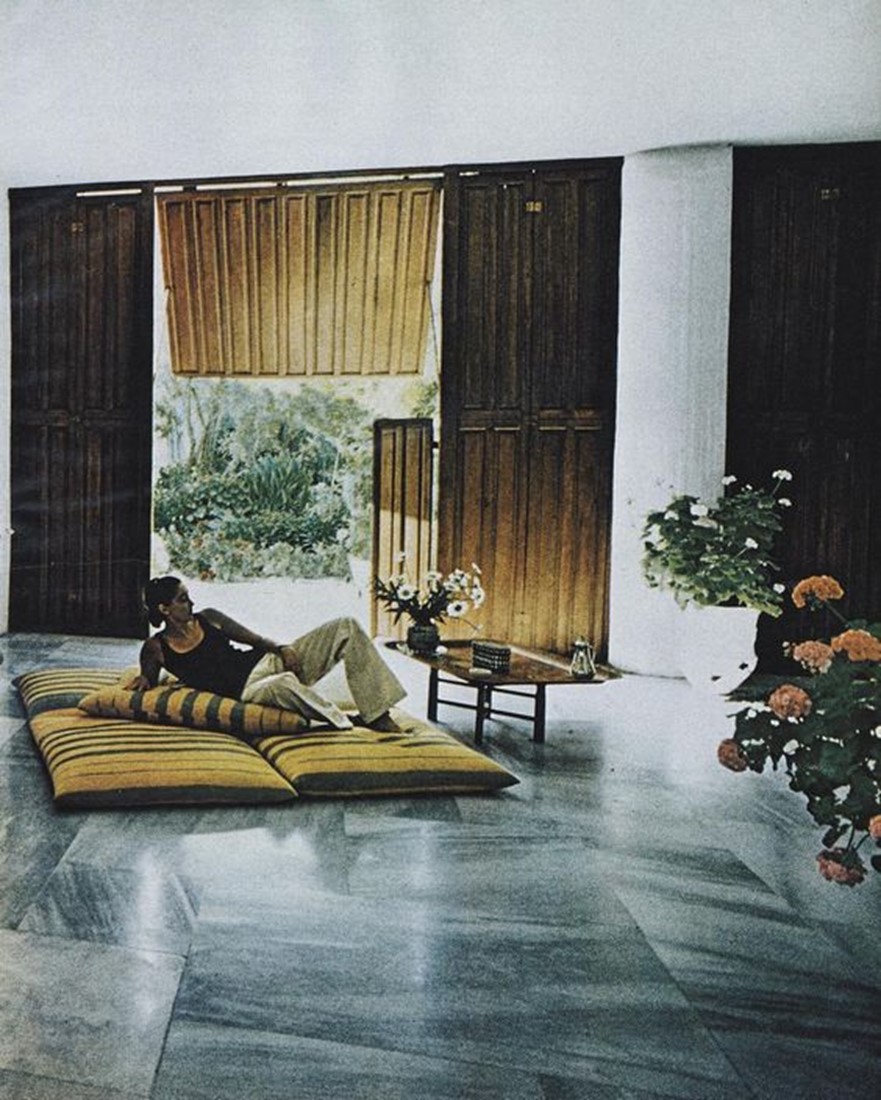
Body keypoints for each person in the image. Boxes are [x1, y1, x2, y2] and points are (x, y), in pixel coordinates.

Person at [130, 576, 406, 731]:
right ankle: (346, 722)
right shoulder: (156, 647)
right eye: (182, 599)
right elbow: (148, 678)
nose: (191, 602)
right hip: (249, 690)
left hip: (265, 662)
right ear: (164, 609)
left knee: (346, 626)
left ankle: (377, 714)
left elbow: (257, 639)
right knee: (284, 683)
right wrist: (144, 679)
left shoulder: (209, 617)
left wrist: (282, 648)